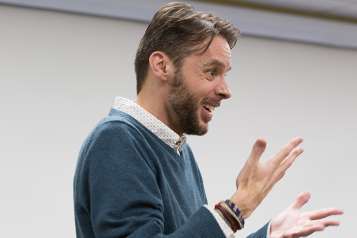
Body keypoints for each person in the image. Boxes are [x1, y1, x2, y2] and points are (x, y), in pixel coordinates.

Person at [73, 2, 343, 238]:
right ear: (162, 66)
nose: (226, 90)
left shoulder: (180, 150)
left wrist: (268, 235)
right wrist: (236, 208)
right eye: (212, 71)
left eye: (225, 74)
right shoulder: (118, 140)